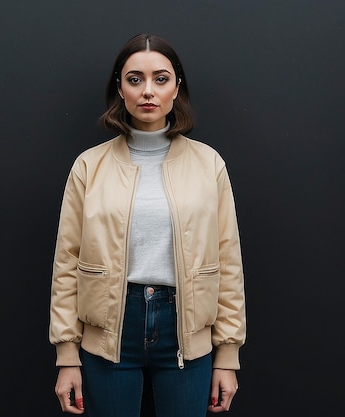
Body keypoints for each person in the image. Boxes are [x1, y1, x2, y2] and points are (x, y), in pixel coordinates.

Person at [49, 33, 246, 417]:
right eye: (134, 79)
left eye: (161, 78)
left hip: (186, 329)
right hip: (109, 328)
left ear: (177, 87)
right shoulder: (89, 166)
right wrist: (66, 356)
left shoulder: (209, 165)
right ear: (120, 89)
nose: (147, 91)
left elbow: (229, 261)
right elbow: (66, 263)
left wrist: (228, 355)